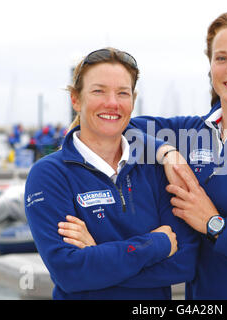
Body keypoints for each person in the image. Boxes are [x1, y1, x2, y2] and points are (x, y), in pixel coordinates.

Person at [64, 11, 227, 299]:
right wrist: (166, 151)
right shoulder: (188, 133)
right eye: (222, 58)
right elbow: (119, 123)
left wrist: (215, 226)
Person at [24, 47, 198, 300]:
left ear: (133, 101)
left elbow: (185, 262)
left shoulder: (156, 171)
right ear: (75, 99)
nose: (112, 103)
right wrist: (155, 244)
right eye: (99, 91)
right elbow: (70, 273)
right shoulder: (49, 175)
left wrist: (99, 255)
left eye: (122, 93)